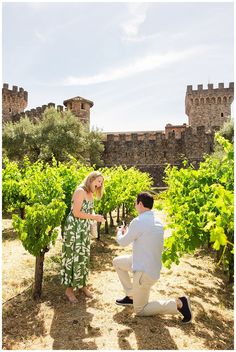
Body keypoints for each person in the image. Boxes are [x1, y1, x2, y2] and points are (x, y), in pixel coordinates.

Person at [113, 192, 192, 323]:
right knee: (117, 262)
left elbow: (122, 242)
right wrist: (128, 232)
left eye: (135, 203)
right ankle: (131, 295)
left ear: (140, 204)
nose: (134, 205)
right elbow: (143, 240)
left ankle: (179, 304)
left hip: (143, 272)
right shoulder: (157, 221)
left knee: (140, 310)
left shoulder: (138, 221)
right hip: (149, 266)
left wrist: (119, 233)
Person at [61, 171, 104, 303]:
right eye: (98, 181)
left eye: (101, 183)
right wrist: (94, 217)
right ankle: (69, 290)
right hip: (74, 228)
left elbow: (88, 211)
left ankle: (82, 286)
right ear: (91, 179)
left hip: (83, 228)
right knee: (72, 256)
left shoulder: (90, 194)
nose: (100, 184)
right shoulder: (80, 191)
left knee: (83, 255)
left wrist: (97, 217)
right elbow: (76, 212)